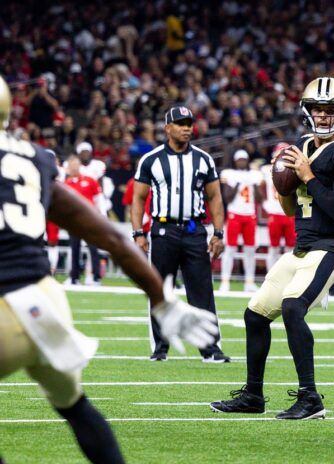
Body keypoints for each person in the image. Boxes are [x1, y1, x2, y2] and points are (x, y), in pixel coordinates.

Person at [0, 75, 219, 464]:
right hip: (45, 305)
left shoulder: (200, 161)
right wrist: (162, 300)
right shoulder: (33, 158)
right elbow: (112, 240)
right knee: (75, 407)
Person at [210, 77, 334, 419]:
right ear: (307, 111)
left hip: (333, 247)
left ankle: (310, 398)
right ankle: (253, 395)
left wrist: (307, 176)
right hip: (302, 247)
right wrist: (281, 187)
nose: (323, 117)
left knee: (293, 307)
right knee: (255, 314)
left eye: (330, 110)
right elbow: (290, 210)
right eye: (317, 110)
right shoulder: (300, 146)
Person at [132, 105, 229, 362]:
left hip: (194, 230)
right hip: (163, 230)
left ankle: (211, 348)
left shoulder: (203, 159)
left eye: (189, 123)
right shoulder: (151, 159)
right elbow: (138, 199)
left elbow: (215, 197)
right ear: (168, 128)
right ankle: (160, 348)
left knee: (202, 291)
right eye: (181, 123)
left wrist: (218, 232)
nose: (187, 128)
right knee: (160, 290)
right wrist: (138, 233)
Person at [219, 149, 263, 292]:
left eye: (244, 159)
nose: (242, 162)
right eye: (240, 159)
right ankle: (225, 281)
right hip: (234, 214)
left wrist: (253, 184)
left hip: (249, 215)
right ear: (235, 161)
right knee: (230, 249)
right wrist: (238, 184)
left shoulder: (253, 176)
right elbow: (227, 198)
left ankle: (249, 282)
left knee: (250, 250)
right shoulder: (229, 174)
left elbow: (259, 199)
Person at [63, 155, 102, 286]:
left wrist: (100, 216)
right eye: (71, 165)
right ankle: (74, 277)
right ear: (68, 168)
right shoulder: (66, 184)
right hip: (74, 220)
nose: (74, 168)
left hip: (89, 219)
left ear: (79, 166)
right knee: (74, 248)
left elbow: (99, 200)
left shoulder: (90, 180)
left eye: (75, 165)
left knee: (93, 248)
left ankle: (96, 277)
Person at [261, 142, 296, 271]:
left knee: (291, 248)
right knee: (273, 247)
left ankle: (288, 276)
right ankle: (271, 276)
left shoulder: (294, 169)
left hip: (289, 212)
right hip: (275, 211)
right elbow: (260, 187)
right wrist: (266, 203)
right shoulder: (266, 170)